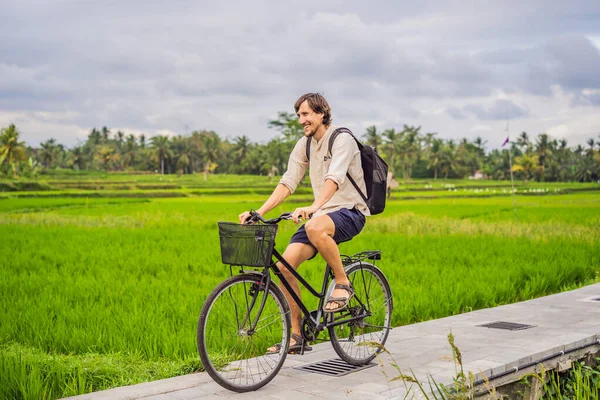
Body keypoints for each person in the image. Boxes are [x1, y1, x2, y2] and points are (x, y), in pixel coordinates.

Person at [238, 93, 369, 354]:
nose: (302, 120)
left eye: (306, 114)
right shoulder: (305, 145)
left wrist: (313, 207)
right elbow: (288, 181)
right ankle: (297, 337)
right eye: (299, 115)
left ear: (322, 114)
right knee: (284, 267)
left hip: (350, 212)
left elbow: (335, 179)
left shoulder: (342, 139)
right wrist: (259, 212)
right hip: (322, 216)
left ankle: (343, 283)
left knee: (314, 226)